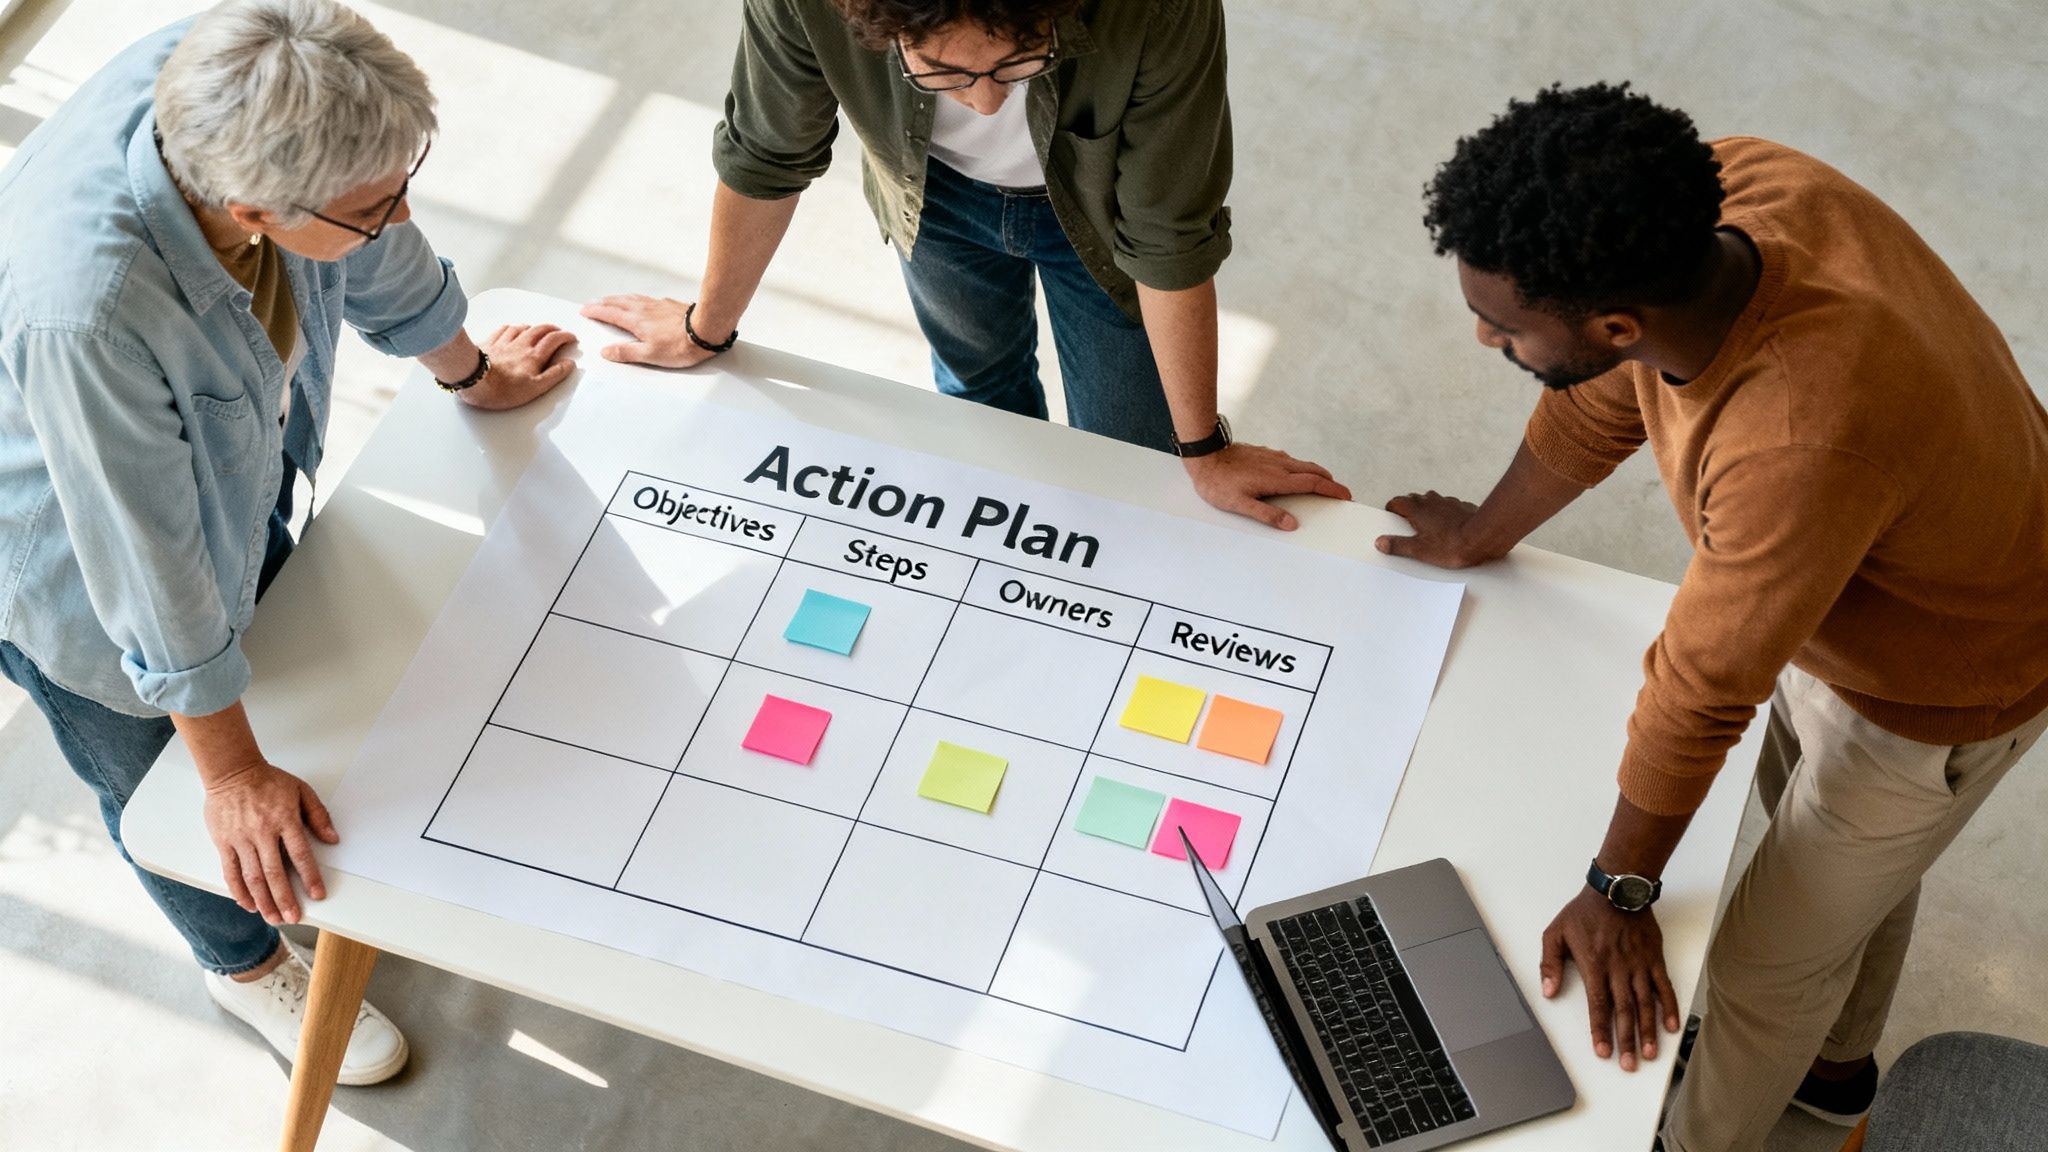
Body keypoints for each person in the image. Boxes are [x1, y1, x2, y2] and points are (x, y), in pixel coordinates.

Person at [1381, 83, 2048, 1150]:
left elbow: (1701, 685)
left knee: (1756, 973)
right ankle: (1832, 1075)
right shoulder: (1729, 191)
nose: (1479, 337)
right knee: (1827, 877)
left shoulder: (1794, 440)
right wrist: (1482, 532)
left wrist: (1618, 891)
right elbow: (1602, 393)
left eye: (1502, 326)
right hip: (1862, 589)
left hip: (1942, 683)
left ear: (1613, 322)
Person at [0, 0, 576, 1084]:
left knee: (297, 679)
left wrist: (465, 369)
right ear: (252, 204)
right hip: (70, 574)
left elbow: (376, 241)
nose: (398, 210)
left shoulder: (259, 79)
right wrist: (227, 776)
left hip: (223, 468)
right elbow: (148, 562)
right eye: (373, 204)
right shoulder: (93, 309)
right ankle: (242, 958)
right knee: (164, 789)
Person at [581, 0, 1350, 530]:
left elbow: (1167, 233)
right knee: (979, 392)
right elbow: (768, 151)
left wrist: (1203, 451)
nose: (983, 106)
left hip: (1096, 213)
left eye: (1019, 63)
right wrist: (706, 329)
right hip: (929, 195)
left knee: (1134, 460)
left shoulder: (1156, 9)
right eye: (942, 74)